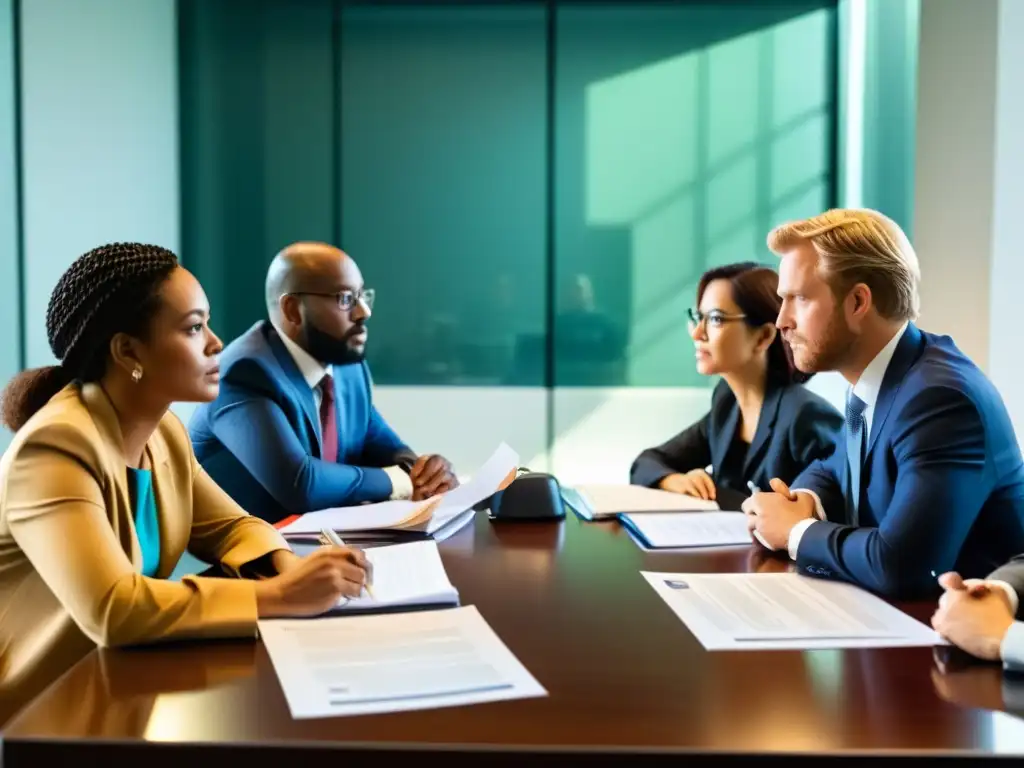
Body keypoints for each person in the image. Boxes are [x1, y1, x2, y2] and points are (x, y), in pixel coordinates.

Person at [0, 243, 371, 726]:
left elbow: (232, 527)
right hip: (38, 715)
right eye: (194, 328)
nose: (216, 343)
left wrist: (285, 565)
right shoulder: (54, 448)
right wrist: (281, 597)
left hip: (118, 685)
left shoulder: (162, 431)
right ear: (127, 351)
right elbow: (114, 609)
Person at [742, 209, 1024, 599]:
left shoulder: (940, 400)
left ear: (858, 302)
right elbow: (835, 467)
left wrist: (794, 532)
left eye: (799, 298)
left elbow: (901, 566)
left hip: (960, 639)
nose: (782, 321)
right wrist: (803, 500)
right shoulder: (879, 378)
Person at [189, 242, 458, 524]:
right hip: (233, 559)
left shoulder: (347, 368)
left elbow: (379, 443)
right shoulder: (244, 372)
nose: (363, 311)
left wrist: (425, 472)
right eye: (345, 299)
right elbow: (299, 483)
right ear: (293, 310)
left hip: (315, 545)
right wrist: (400, 482)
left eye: (362, 295)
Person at [630, 262, 842, 510]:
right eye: (699, 317)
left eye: (716, 319)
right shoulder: (726, 401)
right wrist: (675, 480)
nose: (697, 333)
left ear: (763, 336)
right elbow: (646, 463)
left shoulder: (806, 417)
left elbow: (838, 510)